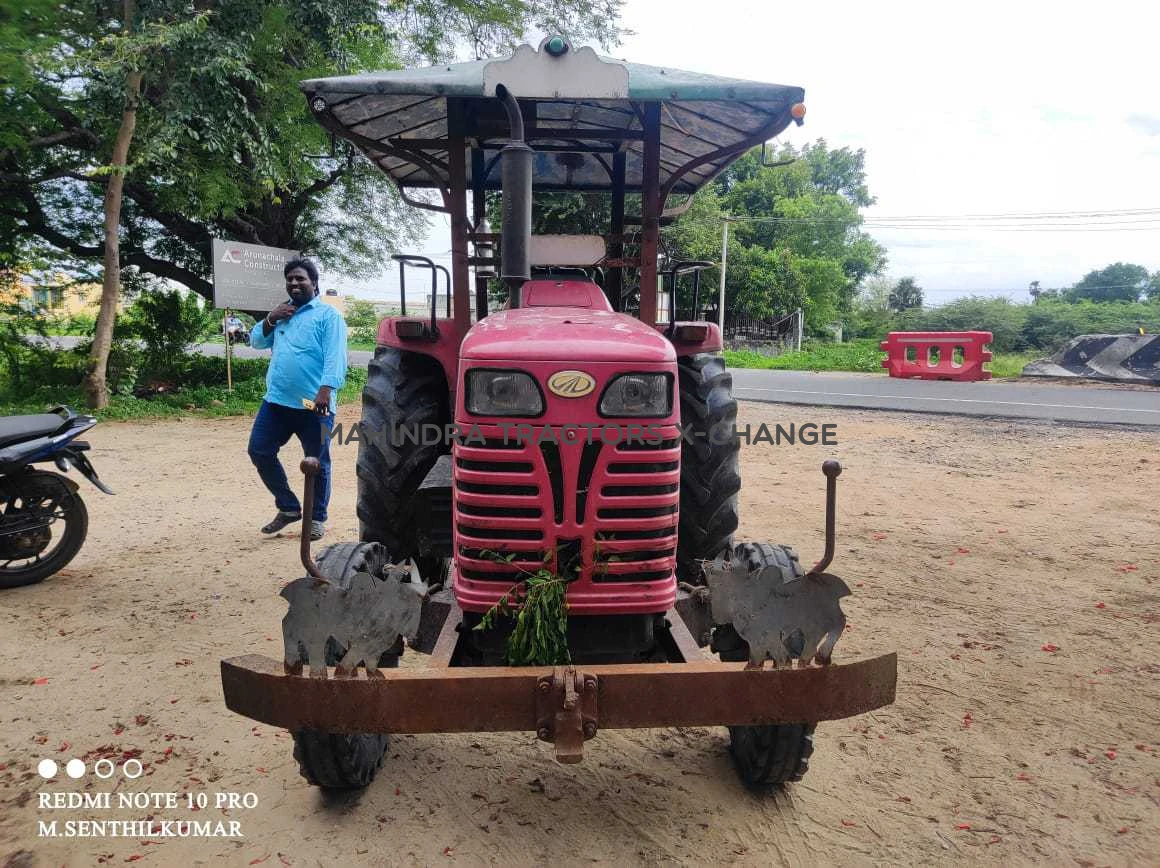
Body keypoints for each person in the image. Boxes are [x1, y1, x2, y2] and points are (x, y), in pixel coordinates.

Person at [247, 257, 347, 541]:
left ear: (314, 283)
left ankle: (316, 518)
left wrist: (325, 392)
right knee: (259, 451)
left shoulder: (329, 317)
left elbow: (335, 357)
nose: (294, 283)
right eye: (290, 279)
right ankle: (289, 508)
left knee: (317, 462)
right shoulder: (282, 314)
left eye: (300, 278)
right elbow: (256, 342)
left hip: (314, 406)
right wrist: (270, 318)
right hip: (277, 402)